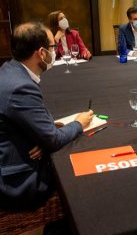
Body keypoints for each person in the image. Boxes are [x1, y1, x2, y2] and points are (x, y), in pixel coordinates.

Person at [0, 22, 93, 210]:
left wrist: (41, 137)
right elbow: (53, 139)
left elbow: (41, 127)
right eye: (53, 47)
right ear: (42, 53)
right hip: (17, 182)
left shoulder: (9, 70)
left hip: (10, 154)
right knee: (81, 170)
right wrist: (78, 124)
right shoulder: (20, 87)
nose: (56, 51)